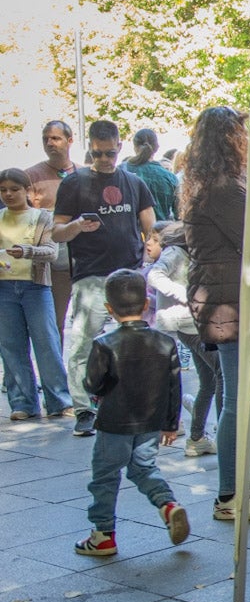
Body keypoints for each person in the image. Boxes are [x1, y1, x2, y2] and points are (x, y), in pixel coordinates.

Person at [181, 106, 250, 521]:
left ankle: (249, 479)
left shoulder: (220, 185)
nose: (249, 142)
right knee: (239, 397)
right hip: (229, 303)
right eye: (241, 135)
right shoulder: (223, 188)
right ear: (230, 139)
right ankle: (230, 495)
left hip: (240, 297)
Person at [73, 269, 189, 557]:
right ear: (146, 305)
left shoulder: (104, 344)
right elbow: (174, 385)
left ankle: (103, 534)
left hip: (114, 422)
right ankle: (168, 505)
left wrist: (96, 393)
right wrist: (170, 424)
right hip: (150, 422)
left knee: (105, 476)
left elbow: (92, 383)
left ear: (109, 309)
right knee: (143, 468)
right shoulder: (165, 342)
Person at [52, 120, 156, 437]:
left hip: (129, 274)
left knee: (135, 344)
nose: (104, 160)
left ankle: (134, 404)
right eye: (97, 154)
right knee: (83, 343)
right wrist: (77, 227)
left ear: (119, 147)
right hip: (91, 275)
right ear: (90, 148)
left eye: (110, 153)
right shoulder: (74, 183)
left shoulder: (133, 182)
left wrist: (151, 251)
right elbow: (57, 231)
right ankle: (84, 409)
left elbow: (150, 225)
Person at [0, 168, 71, 420]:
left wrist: (27, 251)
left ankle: (59, 401)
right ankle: (22, 403)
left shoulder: (41, 217)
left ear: (27, 191)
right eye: (3, 190)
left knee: (47, 343)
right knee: (11, 347)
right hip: (4, 289)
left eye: (14, 189)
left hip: (36, 287)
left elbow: (51, 252)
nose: (8, 194)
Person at [146, 221, 219, 456]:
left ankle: (197, 437)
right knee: (222, 375)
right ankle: (217, 433)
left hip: (191, 324)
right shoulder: (175, 252)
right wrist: (187, 296)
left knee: (209, 381)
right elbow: (155, 275)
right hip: (187, 324)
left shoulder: (185, 252)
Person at [25, 120, 78, 341]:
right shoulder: (30, 176)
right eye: (46, 138)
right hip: (51, 261)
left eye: (55, 138)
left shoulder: (84, 174)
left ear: (70, 140)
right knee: (55, 322)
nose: (50, 143)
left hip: (86, 259)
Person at [123, 129, 179, 221]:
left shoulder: (123, 171)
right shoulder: (170, 177)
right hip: (159, 231)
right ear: (157, 147)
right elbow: (179, 214)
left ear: (134, 147)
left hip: (130, 232)